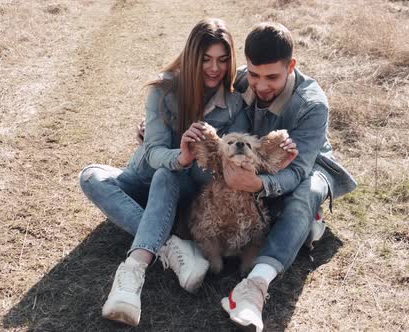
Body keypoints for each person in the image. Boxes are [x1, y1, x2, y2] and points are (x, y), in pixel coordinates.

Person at [78, 18, 243, 326]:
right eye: (206, 59)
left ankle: (133, 272)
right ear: (192, 57)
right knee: (90, 176)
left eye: (222, 60)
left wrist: (204, 152)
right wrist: (179, 155)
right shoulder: (164, 89)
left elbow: (226, 168)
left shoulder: (234, 103)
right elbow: (152, 152)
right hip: (140, 177)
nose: (214, 68)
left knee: (166, 177)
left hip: (183, 190)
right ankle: (169, 246)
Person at [216, 22, 357, 331]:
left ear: (291, 66)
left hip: (309, 165)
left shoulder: (312, 103)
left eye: (272, 77)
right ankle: (302, 224)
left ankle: (253, 287)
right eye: (254, 74)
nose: (261, 85)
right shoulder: (240, 81)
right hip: (255, 160)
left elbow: (297, 170)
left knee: (303, 194)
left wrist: (260, 185)